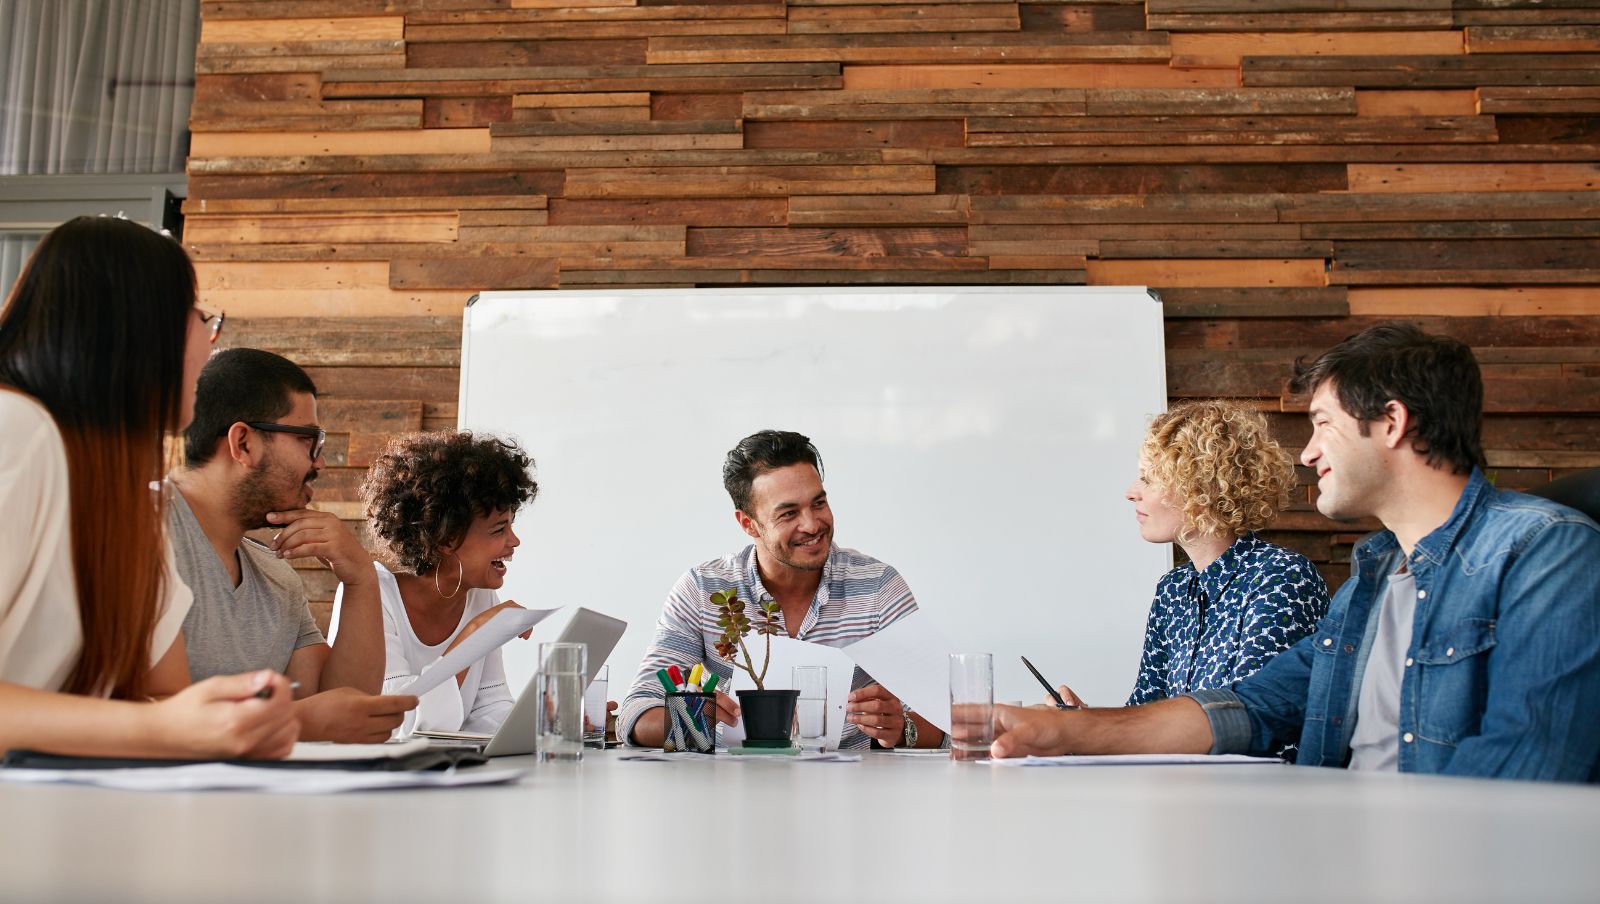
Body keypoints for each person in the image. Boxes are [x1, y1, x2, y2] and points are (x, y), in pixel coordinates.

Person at [990, 323, 1600, 782]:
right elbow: (1254, 707)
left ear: (1391, 424)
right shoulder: (1373, 576)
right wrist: (1068, 731)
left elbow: (1531, 771)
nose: (1306, 454)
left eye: (1322, 424)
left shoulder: (1546, 554)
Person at [0, 216, 297, 758]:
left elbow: (160, 695)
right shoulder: (16, 430)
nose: (209, 349)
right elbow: (156, 719)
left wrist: (228, 720)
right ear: (135, 330)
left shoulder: (127, 497)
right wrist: (167, 729)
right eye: (199, 319)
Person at [621, 430, 946, 750]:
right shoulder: (703, 589)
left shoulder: (878, 586)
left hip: (851, 789)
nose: (812, 524)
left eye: (819, 503)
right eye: (789, 513)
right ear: (748, 523)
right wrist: (690, 720)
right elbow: (637, 714)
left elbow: (951, 719)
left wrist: (903, 729)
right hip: (730, 788)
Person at [170, 348, 415, 743]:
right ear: (244, 444)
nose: (319, 463)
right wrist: (296, 721)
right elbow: (142, 710)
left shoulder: (276, 578)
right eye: (309, 441)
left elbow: (339, 711)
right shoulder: (140, 535)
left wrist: (361, 578)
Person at [1051, 401, 1328, 740]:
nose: (1131, 492)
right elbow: (1146, 709)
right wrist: (1084, 721)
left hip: (1260, 789)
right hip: (1185, 786)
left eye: (1147, 478)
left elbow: (1257, 722)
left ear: (1199, 488)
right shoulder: (1172, 590)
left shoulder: (1280, 578)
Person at [334, 431, 540, 734]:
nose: (515, 541)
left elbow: (488, 709)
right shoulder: (371, 593)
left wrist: (548, 722)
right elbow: (396, 724)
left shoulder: (480, 598)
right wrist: (476, 633)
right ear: (446, 539)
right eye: (499, 530)